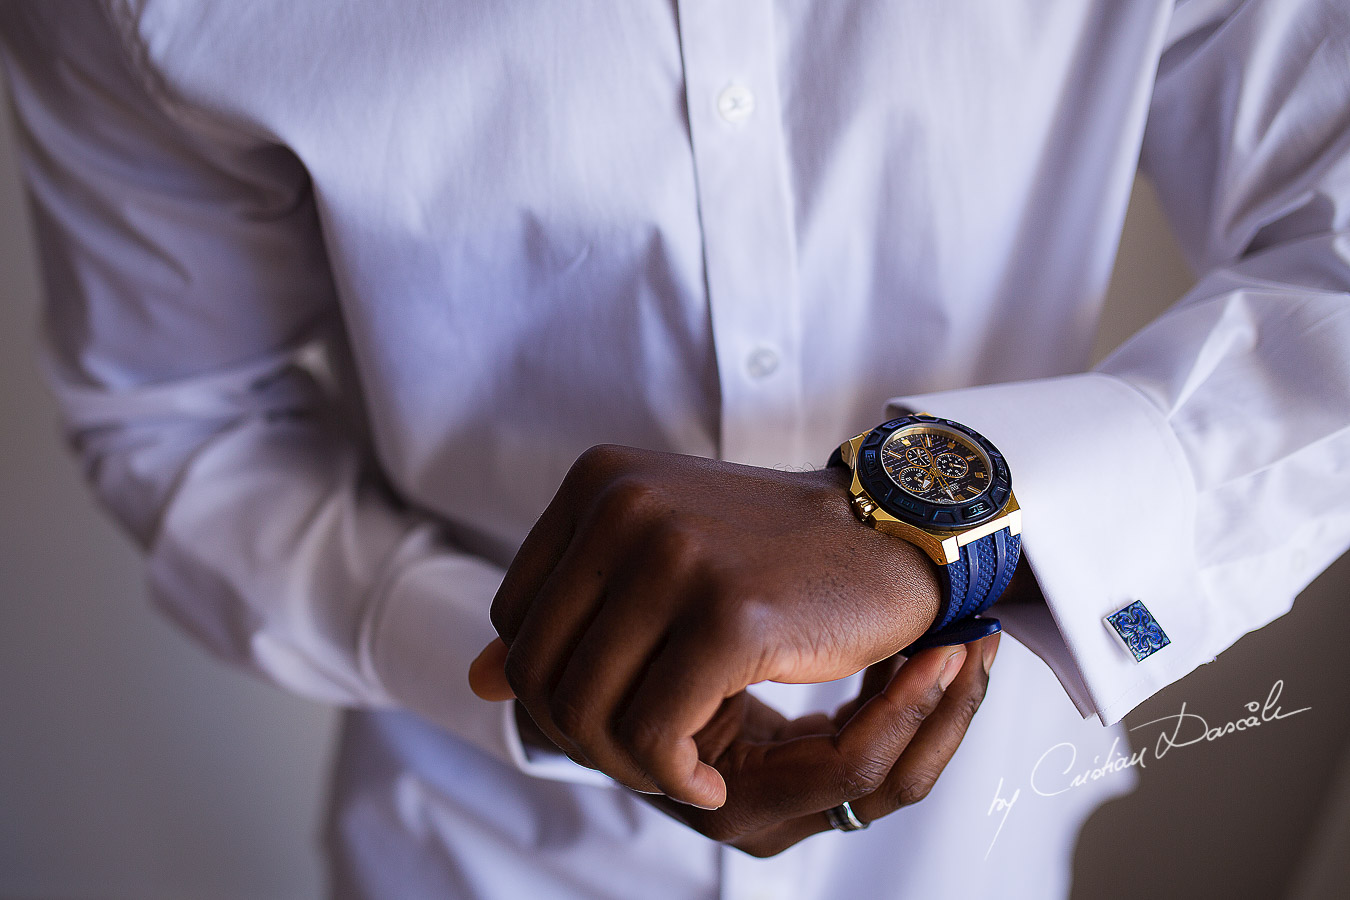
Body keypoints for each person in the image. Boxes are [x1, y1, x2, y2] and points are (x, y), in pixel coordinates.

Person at [2, 1, 1347, 897]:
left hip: (973, 846)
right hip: (477, 853)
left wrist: (932, 526)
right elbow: (177, 416)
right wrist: (514, 664)